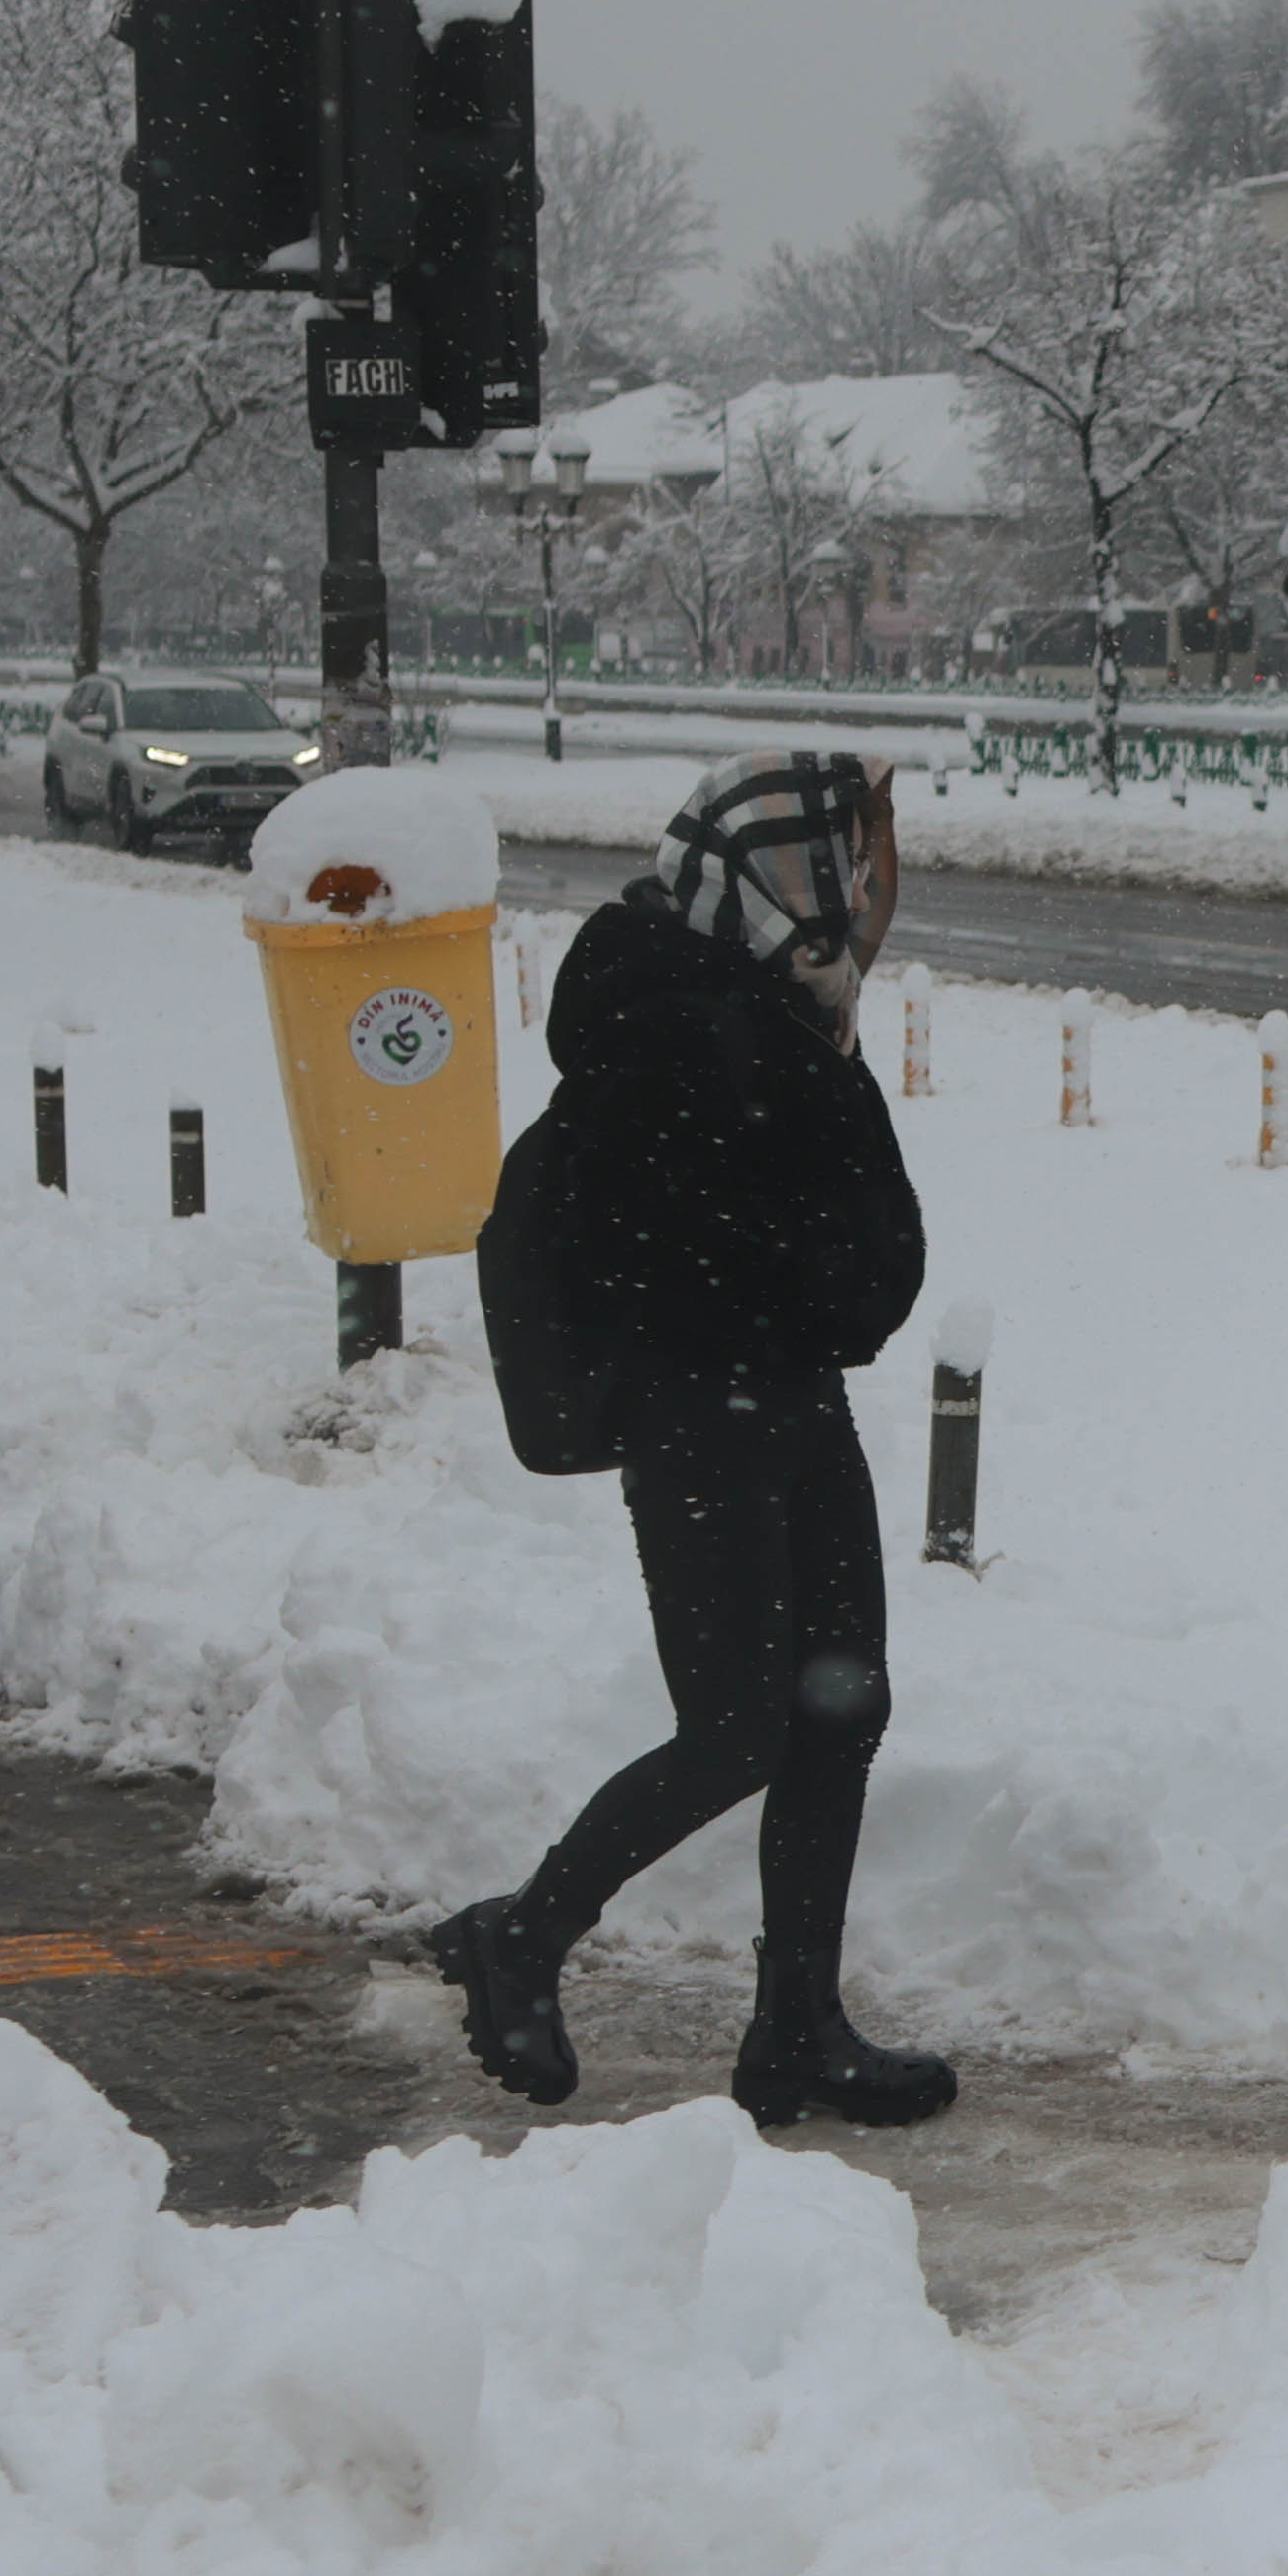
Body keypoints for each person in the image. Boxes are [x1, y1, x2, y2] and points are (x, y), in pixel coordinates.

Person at [432, 753, 957, 2126]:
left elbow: (866, 1254)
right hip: (705, 1416)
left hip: (790, 1402)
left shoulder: (780, 1010)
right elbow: (740, 1251)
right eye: (845, 860)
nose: (863, 887)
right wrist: (807, 1273)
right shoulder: (671, 1023)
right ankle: (524, 1935)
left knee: (842, 1709)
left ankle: (796, 2028)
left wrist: (826, 1271)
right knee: (733, 1728)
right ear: (782, 874)